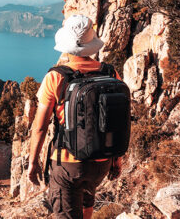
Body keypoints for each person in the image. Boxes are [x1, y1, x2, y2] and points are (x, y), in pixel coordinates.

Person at [27, 14, 123, 219]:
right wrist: (117, 160)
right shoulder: (110, 72)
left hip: (68, 164)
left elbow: (40, 128)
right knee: (87, 207)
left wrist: (33, 162)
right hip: (101, 162)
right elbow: (116, 120)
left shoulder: (56, 77)